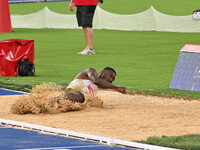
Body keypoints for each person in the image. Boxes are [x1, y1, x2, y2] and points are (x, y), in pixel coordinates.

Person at [59, 67, 126, 103]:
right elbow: (95, 81)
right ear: (102, 72)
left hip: (75, 100)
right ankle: (51, 101)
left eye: (113, 79)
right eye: (110, 75)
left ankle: (56, 106)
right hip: (71, 92)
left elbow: (102, 84)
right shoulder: (91, 71)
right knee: (80, 96)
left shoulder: (98, 87)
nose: (111, 79)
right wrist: (116, 87)